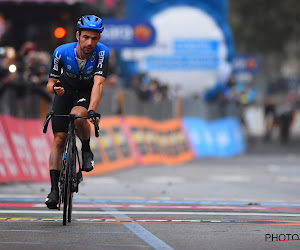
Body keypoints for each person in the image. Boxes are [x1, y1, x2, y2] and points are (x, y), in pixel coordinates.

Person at [45, 15, 109, 209]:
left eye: (95, 39)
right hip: (64, 92)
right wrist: (54, 89)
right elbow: (49, 83)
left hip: (85, 93)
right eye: (86, 37)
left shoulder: (102, 53)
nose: (90, 43)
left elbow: (98, 83)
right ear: (78, 36)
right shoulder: (61, 52)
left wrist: (92, 110)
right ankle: (54, 190)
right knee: (58, 139)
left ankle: (86, 149)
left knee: (78, 114)